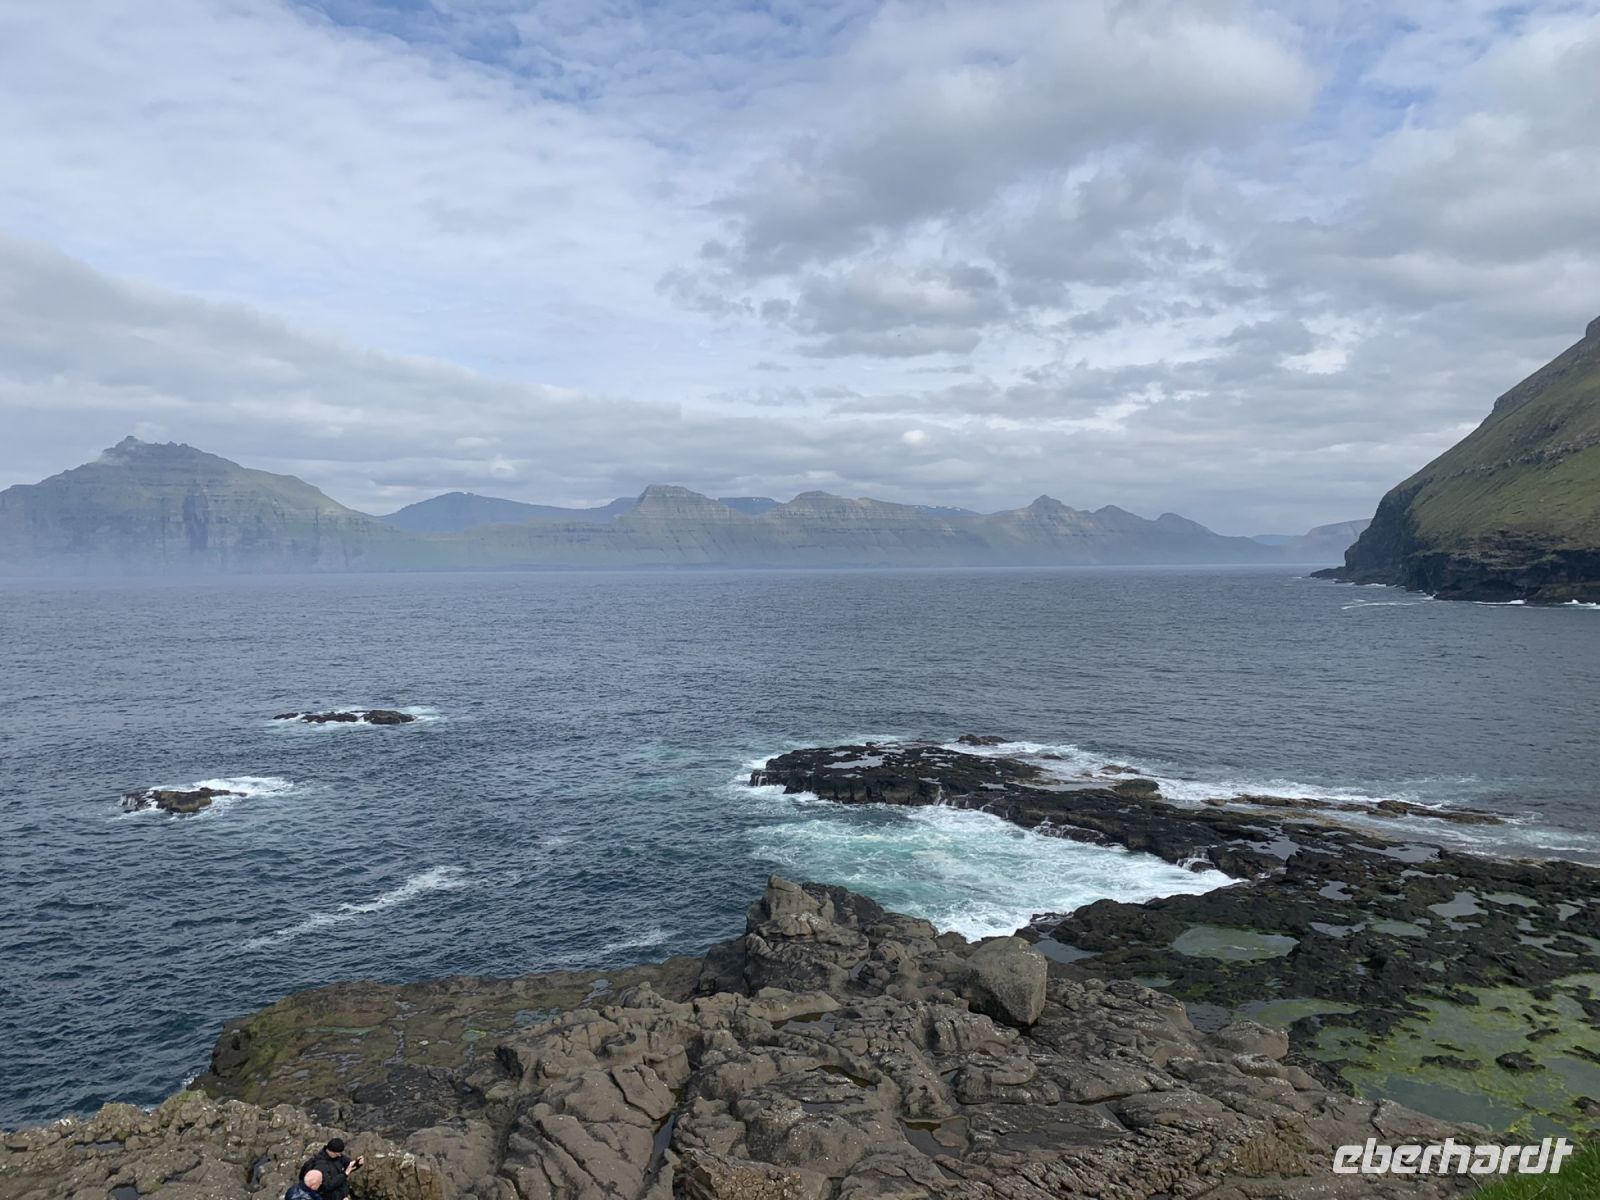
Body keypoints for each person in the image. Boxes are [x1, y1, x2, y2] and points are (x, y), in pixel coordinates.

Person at [299, 1138, 365, 1200]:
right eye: (338, 1153)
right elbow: (328, 1185)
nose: (340, 1155)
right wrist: (345, 1174)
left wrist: (357, 1163)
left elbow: (349, 1166)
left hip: (342, 1194)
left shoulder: (338, 1157)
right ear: (332, 1152)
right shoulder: (321, 1165)